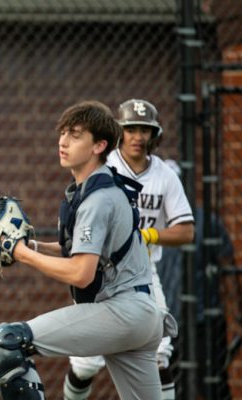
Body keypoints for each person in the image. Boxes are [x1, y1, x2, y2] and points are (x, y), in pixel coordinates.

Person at [0, 101, 164, 399]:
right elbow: (84, 250)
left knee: (9, 342)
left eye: (76, 135)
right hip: (140, 314)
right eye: (63, 133)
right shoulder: (92, 189)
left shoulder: (98, 198)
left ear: (99, 145)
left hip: (122, 312)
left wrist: (21, 253)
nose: (63, 141)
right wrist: (34, 246)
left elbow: (81, 273)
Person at [62, 99, 195, 400]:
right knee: (86, 363)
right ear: (118, 133)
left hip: (143, 272)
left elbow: (186, 231)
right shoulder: (104, 168)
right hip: (100, 272)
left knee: (159, 352)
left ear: (154, 134)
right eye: (130, 128)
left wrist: (147, 234)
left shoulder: (165, 175)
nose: (137, 136)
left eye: (144, 129)